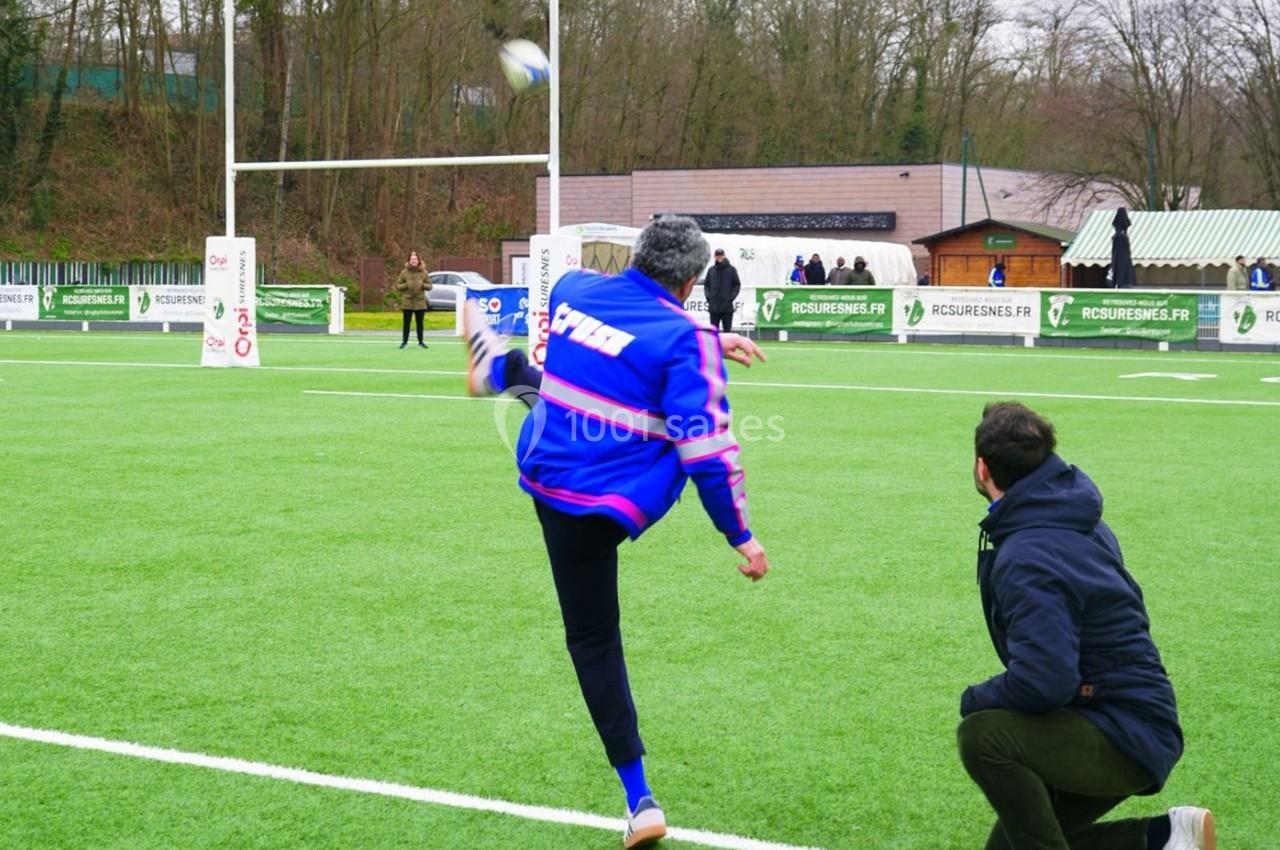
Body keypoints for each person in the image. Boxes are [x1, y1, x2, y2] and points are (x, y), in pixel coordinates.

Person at [462, 216, 769, 850]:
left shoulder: (573, 289)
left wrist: (705, 337)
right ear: (689, 281)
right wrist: (739, 535)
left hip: (549, 474)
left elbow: (625, 325)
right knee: (679, 441)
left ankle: (496, 367)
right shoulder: (683, 340)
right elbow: (709, 452)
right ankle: (641, 800)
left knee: (556, 387)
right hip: (607, 496)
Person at [959, 401, 1214, 850]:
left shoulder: (1027, 553)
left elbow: (1044, 683)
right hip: (1128, 712)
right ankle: (1167, 838)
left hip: (1122, 731)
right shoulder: (1071, 516)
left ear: (982, 469)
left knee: (984, 735)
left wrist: (974, 698)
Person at [392, 251, 432, 348]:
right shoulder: (404, 272)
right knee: (406, 323)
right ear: (409, 261)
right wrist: (407, 285)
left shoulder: (424, 272)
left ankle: (421, 341)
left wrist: (422, 285)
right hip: (407, 301)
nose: (414, 261)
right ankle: (404, 342)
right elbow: (398, 285)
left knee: (420, 324)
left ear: (418, 260)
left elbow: (430, 286)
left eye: (415, 259)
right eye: (412, 259)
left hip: (420, 301)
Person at [703, 247, 742, 332]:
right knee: (713, 333)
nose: (719, 257)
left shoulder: (732, 270)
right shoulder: (711, 270)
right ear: (714, 257)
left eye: (721, 255)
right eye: (717, 255)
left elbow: (737, 285)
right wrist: (709, 297)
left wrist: (730, 297)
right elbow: (706, 285)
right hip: (714, 307)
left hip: (727, 307)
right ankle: (715, 346)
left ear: (724, 256)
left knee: (727, 332)